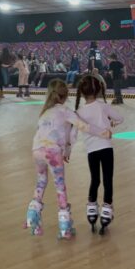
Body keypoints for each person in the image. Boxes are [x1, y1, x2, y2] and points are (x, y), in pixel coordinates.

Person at [23, 79, 111, 239]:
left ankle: (32, 217)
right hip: (52, 151)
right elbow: (84, 126)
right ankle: (65, 225)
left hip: (36, 150)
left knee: (41, 182)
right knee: (59, 186)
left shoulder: (44, 112)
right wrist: (104, 133)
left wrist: (67, 149)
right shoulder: (65, 111)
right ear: (65, 95)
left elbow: (53, 133)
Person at [74, 75, 124, 234]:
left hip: (91, 151)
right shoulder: (103, 106)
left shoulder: (79, 112)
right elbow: (120, 118)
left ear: (81, 92)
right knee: (107, 180)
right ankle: (107, 211)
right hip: (106, 148)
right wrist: (110, 123)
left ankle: (91, 209)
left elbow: (75, 132)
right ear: (99, 90)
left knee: (95, 180)